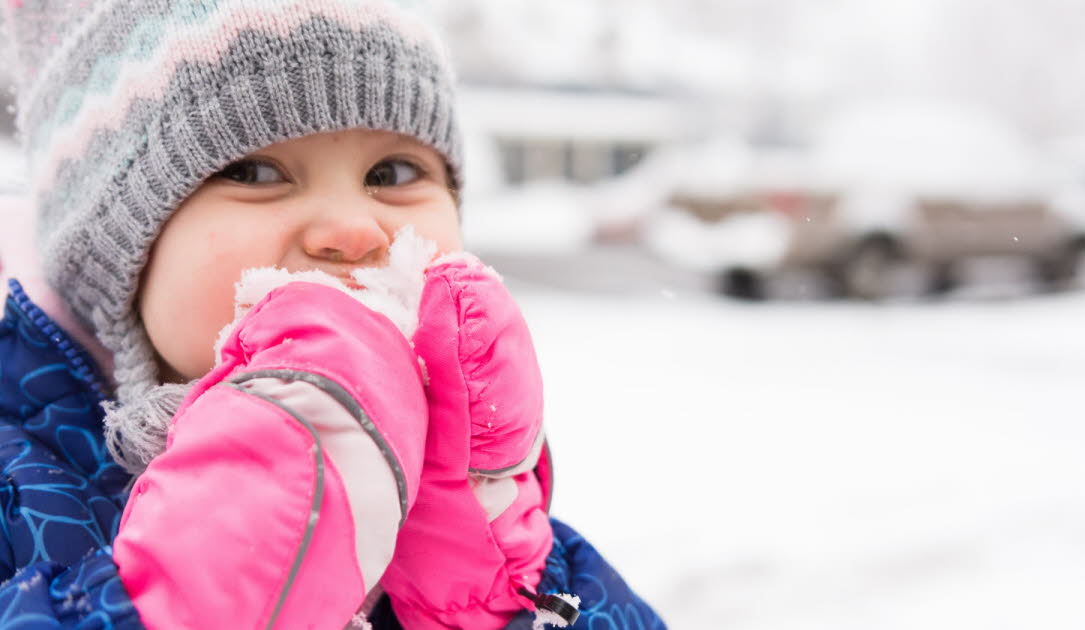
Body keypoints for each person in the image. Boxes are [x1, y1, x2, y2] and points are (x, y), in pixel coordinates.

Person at [0, 1, 665, 628]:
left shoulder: (512, 522)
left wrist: (483, 596)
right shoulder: (19, 489)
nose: (353, 230)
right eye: (257, 174)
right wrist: (196, 593)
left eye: (392, 173)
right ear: (113, 255)